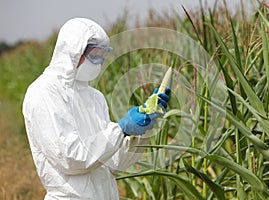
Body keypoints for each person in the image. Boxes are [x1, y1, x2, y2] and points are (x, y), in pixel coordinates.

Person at [22, 18, 170, 200]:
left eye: (102, 56)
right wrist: (121, 129)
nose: (99, 62)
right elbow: (70, 158)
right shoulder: (43, 92)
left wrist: (141, 129)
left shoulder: (95, 97)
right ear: (73, 51)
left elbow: (113, 162)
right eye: (94, 55)